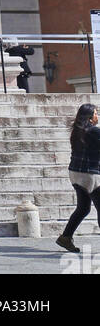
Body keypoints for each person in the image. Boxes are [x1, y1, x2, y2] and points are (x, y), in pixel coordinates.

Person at [57, 103, 100, 254]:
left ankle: (65, 237)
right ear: (89, 117)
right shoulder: (94, 131)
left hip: (75, 174)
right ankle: (65, 237)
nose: (97, 116)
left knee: (83, 208)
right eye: (95, 113)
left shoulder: (76, 131)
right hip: (90, 175)